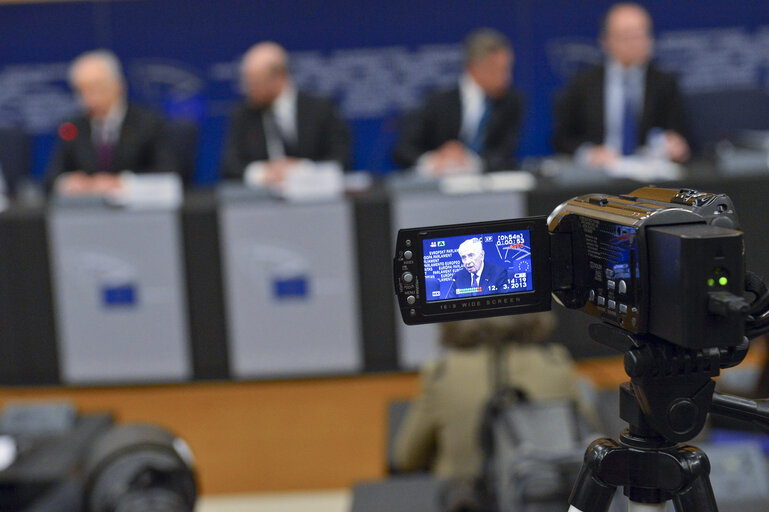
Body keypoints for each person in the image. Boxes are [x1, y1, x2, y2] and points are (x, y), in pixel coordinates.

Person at [392, 313, 588, 479]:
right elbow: (593, 440)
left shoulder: (441, 372)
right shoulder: (555, 362)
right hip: (542, 497)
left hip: (465, 502)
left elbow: (406, 457)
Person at [552, 3, 690, 168]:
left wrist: (675, 145)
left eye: (642, 35)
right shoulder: (583, 83)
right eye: (628, 36)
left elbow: (680, 134)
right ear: (606, 41)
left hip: (650, 175)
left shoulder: (664, 83)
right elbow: (561, 138)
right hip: (598, 176)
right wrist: (589, 154)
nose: (637, 43)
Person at [392, 28, 524, 175]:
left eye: (507, 69)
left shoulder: (512, 102)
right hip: (438, 188)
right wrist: (434, 161)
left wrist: (469, 161)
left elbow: (505, 153)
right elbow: (403, 150)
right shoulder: (438, 101)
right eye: (498, 70)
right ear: (474, 68)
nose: (507, 78)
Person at [220, 42, 352, 185]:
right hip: (261, 202)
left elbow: (341, 159)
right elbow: (229, 166)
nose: (247, 89)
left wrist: (300, 169)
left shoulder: (321, 109)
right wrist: (264, 172)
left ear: (279, 77)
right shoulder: (243, 115)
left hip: (315, 199)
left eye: (255, 83)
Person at [46, 50, 176, 195]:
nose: (89, 98)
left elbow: (168, 173)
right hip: (88, 212)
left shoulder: (148, 122)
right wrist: (69, 182)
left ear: (117, 86)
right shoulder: (73, 127)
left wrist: (121, 183)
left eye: (96, 88)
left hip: (138, 211)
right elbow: (51, 178)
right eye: (82, 90)